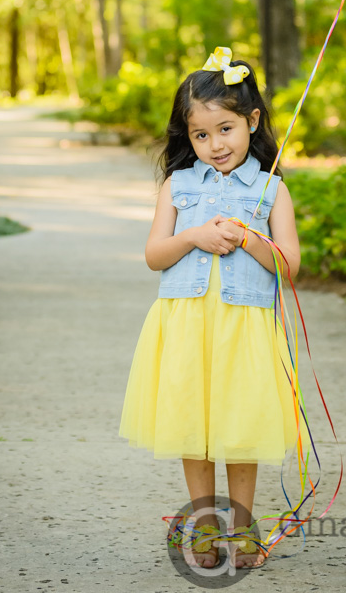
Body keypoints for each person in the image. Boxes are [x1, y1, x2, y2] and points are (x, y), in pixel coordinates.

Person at [118, 47, 309, 570]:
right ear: (188, 136)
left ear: (252, 121)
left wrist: (249, 240)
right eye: (200, 135)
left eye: (225, 129)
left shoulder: (271, 190)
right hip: (185, 323)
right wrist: (197, 235)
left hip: (244, 326)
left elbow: (290, 266)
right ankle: (204, 523)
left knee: (240, 425)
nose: (214, 144)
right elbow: (156, 255)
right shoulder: (177, 187)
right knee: (193, 423)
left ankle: (244, 526)